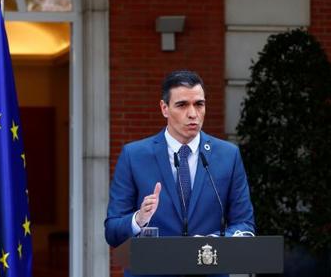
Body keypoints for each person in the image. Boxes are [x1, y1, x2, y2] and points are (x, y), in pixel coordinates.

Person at [104, 70, 255, 277]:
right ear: (164, 108)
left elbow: (244, 224)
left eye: (199, 104)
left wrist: (214, 243)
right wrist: (138, 219)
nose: (193, 114)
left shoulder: (228, 156)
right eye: (182, 105)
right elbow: (112, 232)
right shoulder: (134, 156)